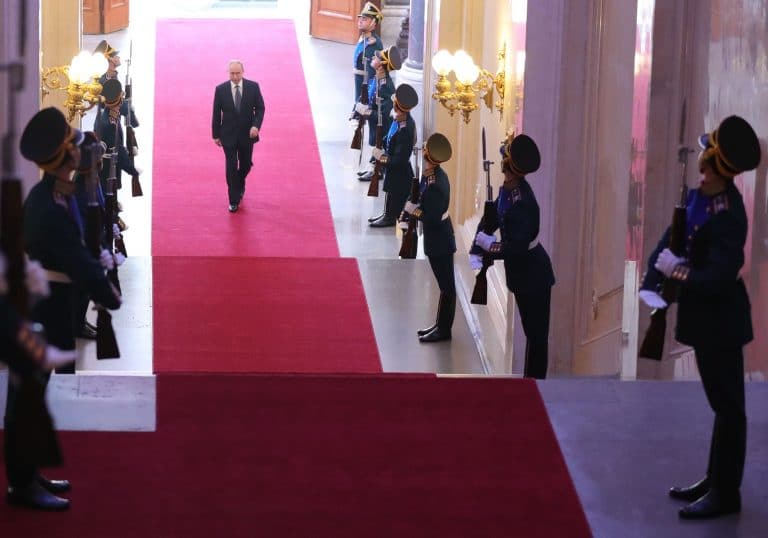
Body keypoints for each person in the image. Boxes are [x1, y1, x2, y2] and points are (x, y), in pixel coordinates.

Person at [639, 115, 760, 519]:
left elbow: (718, 277)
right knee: (722, 406)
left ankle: (726, 494)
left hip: (722, 322)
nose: (701, 173)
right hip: (705, 319)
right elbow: (672, 237)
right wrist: (652, 279)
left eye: (707, 168)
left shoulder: (729, 214)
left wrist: (677, 272)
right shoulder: (701, 197)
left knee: (729, 409)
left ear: (722, 173)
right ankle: (715, 479)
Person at [4, 107, 122, 511]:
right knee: (27, 398)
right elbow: (74, 257)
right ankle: (22, 485)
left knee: (32, 395)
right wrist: (107, 293)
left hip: (49, 305)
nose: (79, 148)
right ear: (64, 155)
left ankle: (27, 474)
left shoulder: (54, 193)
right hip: (43, 308)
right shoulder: (48, 206)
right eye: (73, 143)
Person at [470, 133, 555, 378]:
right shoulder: (509, 190)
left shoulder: (523, 201)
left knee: (536, 336)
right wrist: (477, 247)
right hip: (522, 273)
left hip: (534, 275)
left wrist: (491, 247)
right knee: (531, 332)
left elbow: (517, 247)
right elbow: (493, 218)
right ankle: (531, 383)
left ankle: (535, 384)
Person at [401, 133, 456, 342]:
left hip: (440, 240)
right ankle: (440, 325)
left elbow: (431, 218)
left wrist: (413, 211)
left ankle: (444, 329)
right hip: (438, 238)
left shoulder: (435, 184)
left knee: (447, 287)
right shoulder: (430, 175)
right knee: (444, 286)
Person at [212, 59, 266, 213]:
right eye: (232, 73)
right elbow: (216, 113)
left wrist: (256, 126)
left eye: (237, 73)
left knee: (245, 165)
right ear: (228, 73)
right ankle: (233, 200)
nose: (235, 77)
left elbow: (260, 108)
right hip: (227, 135)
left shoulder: (253, 87)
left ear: (243, 72)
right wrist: (215, 135)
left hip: (247, 135)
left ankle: (239, 183)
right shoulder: (220, 89)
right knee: (230, 167)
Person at [369, 83, 418, 227]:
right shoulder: (399, 120)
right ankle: (386, 214)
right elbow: (389, 138)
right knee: (390, 194)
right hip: (394, 171)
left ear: (398, 106)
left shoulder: (405, 129)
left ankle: (389, 217)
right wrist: (381, 144)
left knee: (394, 195)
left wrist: (381, 157)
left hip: (400, 173)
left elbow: (399, 160)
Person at [356, 45, 401, 182]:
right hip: (375, 124)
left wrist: (367, 112)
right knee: (376, 146)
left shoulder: (385, 86)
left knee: (379, 146)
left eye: (376, 57)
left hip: (382, 125)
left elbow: (385, 114)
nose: (373, 57)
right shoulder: (377, 78)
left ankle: (377, 170)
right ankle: (373, 168)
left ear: (381, 65)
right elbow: (370, 95)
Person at [352, 2, 383, 177]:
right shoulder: (364, 40)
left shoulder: (374, 45)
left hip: (370, 96)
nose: (361, 21)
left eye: (365, 19)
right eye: (361, 18)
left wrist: (365, 102)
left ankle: (375, 168)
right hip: (361, 92)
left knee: (374, 133)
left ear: (374, 23)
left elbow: (373, 78)